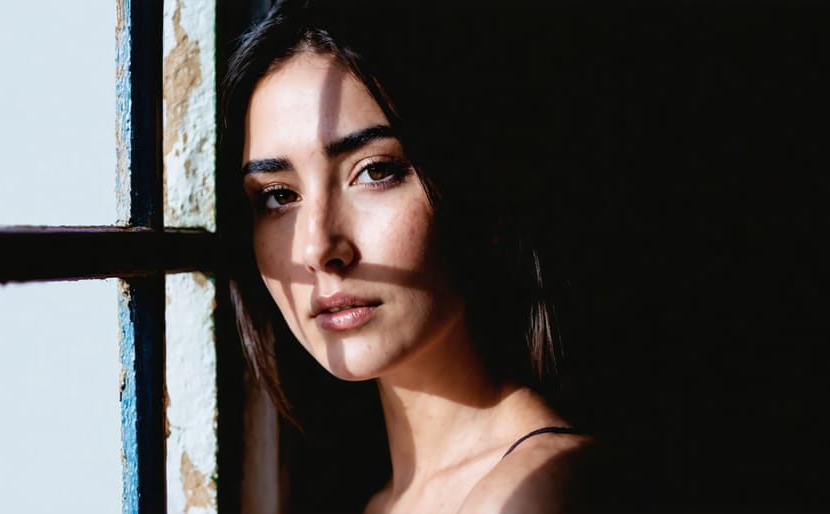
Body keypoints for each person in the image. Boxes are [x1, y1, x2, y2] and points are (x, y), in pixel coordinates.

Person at [221, 1, 597, 512]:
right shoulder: (384, 500)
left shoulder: (530, 491)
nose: (317, 249)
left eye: (374, 172)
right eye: (279, 196)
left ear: (479, 194)